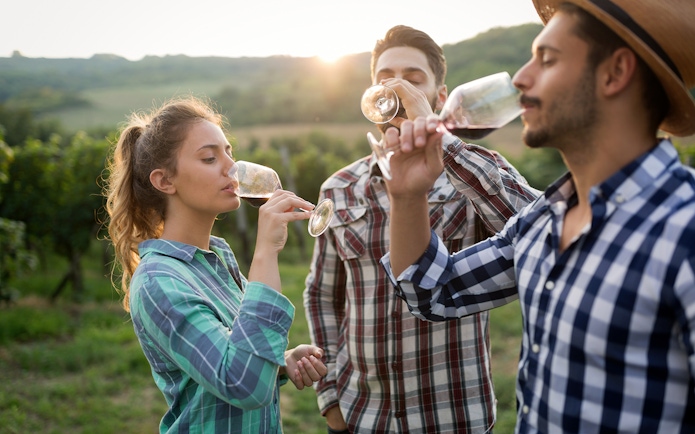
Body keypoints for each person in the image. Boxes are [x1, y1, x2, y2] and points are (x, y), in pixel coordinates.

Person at [382, 0, 695, 432]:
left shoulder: (686, 228)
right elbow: (430, 293)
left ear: (615, 73)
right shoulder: (541, 220)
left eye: (546, 59)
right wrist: (408, 196)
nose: (522, 78)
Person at [303, 25, 539, 433]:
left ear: (440, 97)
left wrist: (439, 137)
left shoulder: (475, 173)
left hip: (453, 416)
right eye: (384, 79)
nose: (397, 90)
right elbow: (323, 294)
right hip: (362, 415)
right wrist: (331, 400)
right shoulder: (338, 188)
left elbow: (540, 232)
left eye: (413, 80)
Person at [104, 96, 327, 433]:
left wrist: (280, 362)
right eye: (209, 158)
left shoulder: (217, 258)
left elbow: (232, 351)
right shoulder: (158, 281)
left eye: (229, 153)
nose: (232, 168)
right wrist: (266, 252)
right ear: (165, 181)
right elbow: (243, 384)